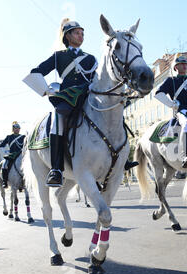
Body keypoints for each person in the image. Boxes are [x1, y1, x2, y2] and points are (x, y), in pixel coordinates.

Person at [24, 19, 137, 187]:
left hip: (88, 95)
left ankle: (122, 159)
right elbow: (35, 72)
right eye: (77, 32)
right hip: (67, 97)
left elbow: (99, 78)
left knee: (114, 112)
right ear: (67, 36)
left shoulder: (90, 58)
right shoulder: (58, 57)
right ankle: (56, 169)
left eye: (82, 33)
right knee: (57, 120)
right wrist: (47, 89)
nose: (81, 35)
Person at [0, 122, 25, 188]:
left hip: (21, 155)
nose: (17, 129)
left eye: (18, 128)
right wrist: (4, 152)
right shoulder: (9, 137)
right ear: (13, 129)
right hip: (12, 155)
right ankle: (5, 181)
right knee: (4, 165)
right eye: (16, 128)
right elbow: (2, 145)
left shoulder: (23, 137)